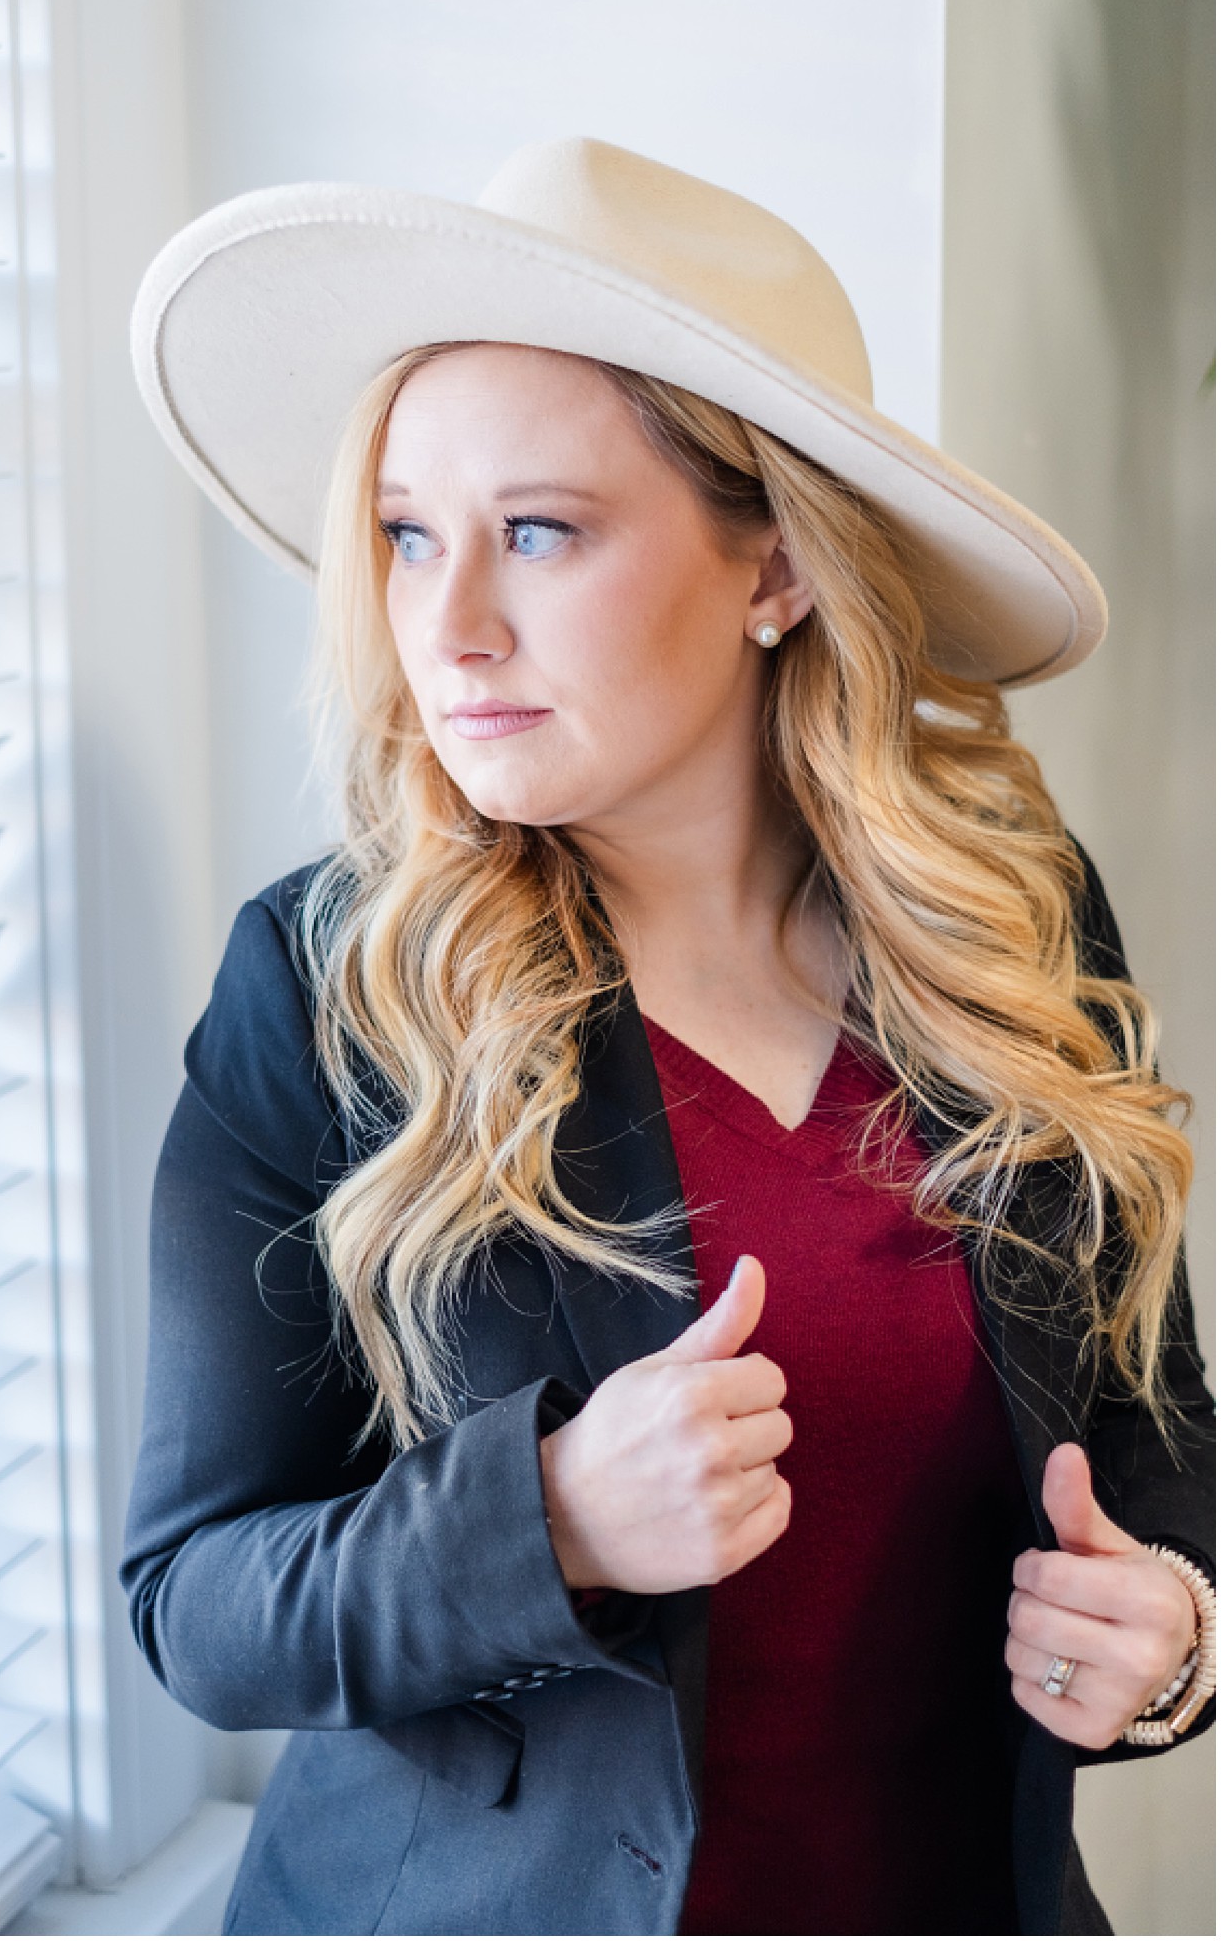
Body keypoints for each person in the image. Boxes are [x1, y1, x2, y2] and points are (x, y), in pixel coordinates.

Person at [120, 137, 1215, 1937]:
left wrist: (1176, 1628)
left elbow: (1140, 1409)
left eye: (538, 531)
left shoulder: (1005, 919)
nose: (447, 627)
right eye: (407, 537)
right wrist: (541, 1519)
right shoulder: (325, 989)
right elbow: (195, 1600)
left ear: (773, 564)